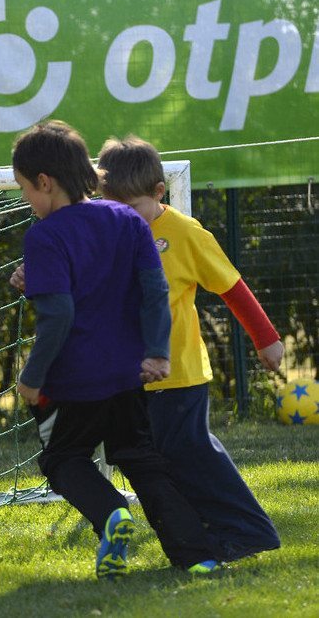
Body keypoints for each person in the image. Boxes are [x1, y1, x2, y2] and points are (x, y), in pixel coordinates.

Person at [11, 120, 221, 580]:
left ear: (44, 182)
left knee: (63, 459)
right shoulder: (127, 219)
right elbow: (154, 290)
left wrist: (32, 376)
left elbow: (59, 315)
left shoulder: (44, 235)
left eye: (25, 189)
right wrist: (158, 353)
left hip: (72, 381)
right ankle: (197, 555)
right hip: (129, 374)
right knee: (142, 461)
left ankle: (110, 513)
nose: (27, 199)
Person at [95, 134, 282, 562]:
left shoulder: (183, 232)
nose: (125, 218)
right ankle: (202, 536)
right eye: (115, 208)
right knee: (158, 461)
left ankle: (249, 530)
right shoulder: (110, 231)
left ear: (160, 193)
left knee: (190, 452)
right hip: (130, 377)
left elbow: (230, 285)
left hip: (179, 372)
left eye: (134, 209)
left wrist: (265, 338)